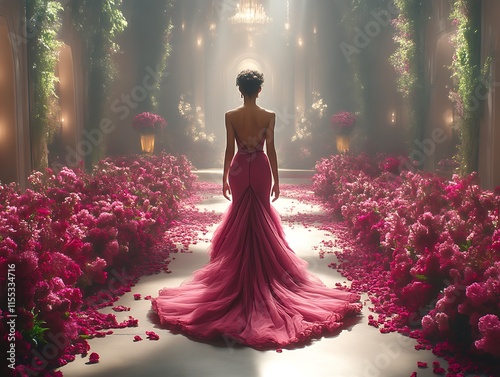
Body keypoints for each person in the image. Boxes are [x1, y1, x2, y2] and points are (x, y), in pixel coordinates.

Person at [152, 69, 361, 349]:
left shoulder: (230, 116)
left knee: (241, 217)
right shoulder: (269, 116)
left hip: (240, 167)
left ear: (240, 89)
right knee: (260, 217)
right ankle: (265, 277)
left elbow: (229, 149)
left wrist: (226, 176)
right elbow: (271, 149)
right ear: (259, 90)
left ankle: (239, 277)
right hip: (261, 166)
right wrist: (277, 180)